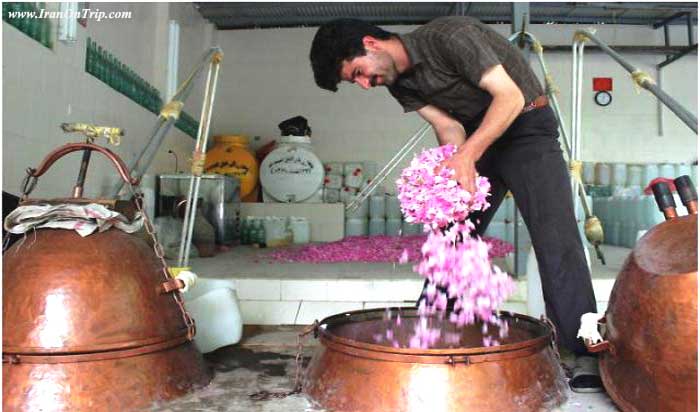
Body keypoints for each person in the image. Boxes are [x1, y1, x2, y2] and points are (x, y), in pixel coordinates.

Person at [310, 16, 602, 392]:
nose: (366, 84)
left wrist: (467, 156)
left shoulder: (450, 36)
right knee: (451, 233)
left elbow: (509, 97)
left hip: (527, 127)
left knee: (554, 237)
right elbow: (450, 129)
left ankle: (585, 351)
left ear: (371, 43)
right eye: (357, 82)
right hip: (479, 137)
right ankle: (432, 328)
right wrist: (444, 177)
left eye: (359, 73)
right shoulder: (400, 85)